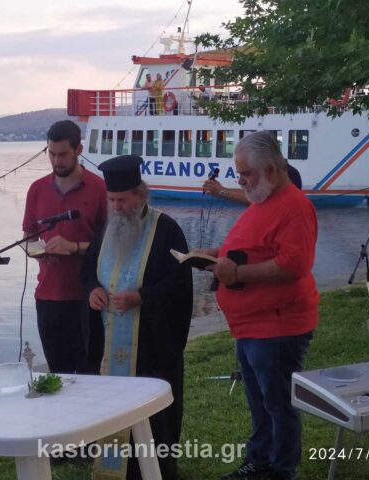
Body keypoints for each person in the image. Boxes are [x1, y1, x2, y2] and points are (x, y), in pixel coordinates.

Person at [204, 131, 319, 480]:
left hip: (277, 325)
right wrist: (215, 255)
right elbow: (255, 247)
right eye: (238, 173)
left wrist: (237, 272)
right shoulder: (262, 199)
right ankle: (260, 460)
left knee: (278, 403)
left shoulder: (295, 206)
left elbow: (293, 265)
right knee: (259, 400)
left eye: (246, 174)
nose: (240, 180)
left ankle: (281, 470)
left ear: (270, 169)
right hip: (252, 325)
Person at [81, 155, 193, 480]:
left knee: (153, 418)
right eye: (111, 200)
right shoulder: (106, 229)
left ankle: (155, 472)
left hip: (151, 348)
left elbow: (179, 284)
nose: (116, 207)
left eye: (122, 200)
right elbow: (87, 271)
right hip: (110, 341)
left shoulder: (166, 230)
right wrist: (92, 290)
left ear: (141, 195)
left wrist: (141, 297)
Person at [22, 120, 107, 374]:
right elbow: (27, 238)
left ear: (79, 149)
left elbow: (110, 247)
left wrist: (73, 247)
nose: (57, 161)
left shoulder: (99, 188)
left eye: (63, 154)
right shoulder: (36, 189)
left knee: (89, 374)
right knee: (58, 375)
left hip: (87, 297)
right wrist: (38, 252)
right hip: (47, 296)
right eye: (52, 154)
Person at [203, 161, 302, 205]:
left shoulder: (286, 175)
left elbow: (261, 199)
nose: (240, 181)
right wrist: (221, 190)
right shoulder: (285, 171)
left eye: (246, 174)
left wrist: (221, 191)